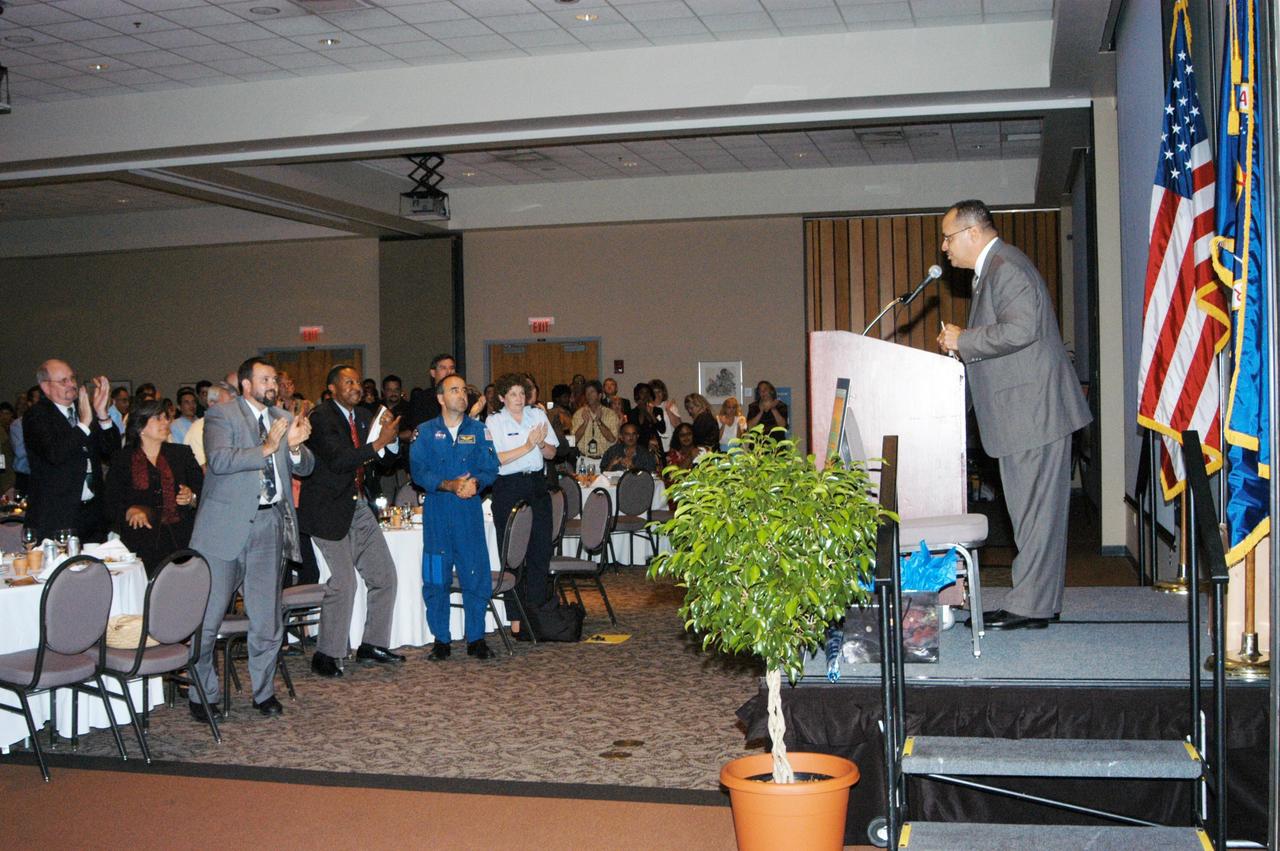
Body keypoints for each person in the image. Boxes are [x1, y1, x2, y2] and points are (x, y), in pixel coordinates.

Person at [936, 199, 1091, 631]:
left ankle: (1030, 606)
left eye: (948, 238)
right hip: (1025, 414)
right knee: (1033, 515)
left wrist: (965, 340)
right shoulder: (995, 270)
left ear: (971, 233)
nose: (944, 249)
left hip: (1033, 413)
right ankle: (1038, 601)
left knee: (1035, 514)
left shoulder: (1006, 268)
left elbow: (1023, 329)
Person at [188, 357, 314, 722]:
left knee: (266, 619)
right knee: (209, 619)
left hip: (267, 526)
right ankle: (202, 693)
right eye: (264, 378)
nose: (272, 383)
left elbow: (306, 466)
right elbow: (220, 460)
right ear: (246, 385)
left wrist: (292, 448)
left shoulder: (283, 418)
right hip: (223, 530)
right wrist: (268, 448)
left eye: (274, 378)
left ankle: (263, 692)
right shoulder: (222, 416)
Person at [299, 365, 404, 678]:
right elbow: (341, 459)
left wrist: (391, 438)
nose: (356, 386)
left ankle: (372, 644)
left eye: (358, 381)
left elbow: (386, 460)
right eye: (348, 382)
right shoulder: (321, 418)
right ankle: (326, 654)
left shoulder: (361, 417)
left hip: (358, 505)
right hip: (327, 509)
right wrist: (377, 442)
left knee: (385, 575)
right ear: (332, 388)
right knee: (344, 582)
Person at [410, 374, 499, 661]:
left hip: (467, 512)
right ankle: (441, 639)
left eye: (464, 390)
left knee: (475, 574)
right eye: (454, 390)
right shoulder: (423, 432)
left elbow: (490, 468)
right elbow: (418, 472)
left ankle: (476, 638)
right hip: (437, 512)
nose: (462, 395)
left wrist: (476, 483)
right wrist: (448, 484)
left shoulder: (479, 430)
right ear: (440, 398)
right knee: (436, 577)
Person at [486, 373, 558, 641]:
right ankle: (515, 619)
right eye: (513, 394)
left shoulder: (537, 416)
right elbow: (497, 460)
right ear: (503, 397)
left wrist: (540, 443)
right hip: (509, 487)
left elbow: (552, 453)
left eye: (522, 393)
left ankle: (537, 614)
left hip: (537, 485)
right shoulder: (494, 421)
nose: (519, 398)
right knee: (513, 555)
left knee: (540, 550)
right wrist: (528, 445)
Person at [104, 399, 203, 577]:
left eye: (166, 417)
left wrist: (192, 497)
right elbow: (110, 502)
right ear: (140, 426)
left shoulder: (181, 454)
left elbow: (203, 491)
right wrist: (129, 511)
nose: (166, 422)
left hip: (180, 541)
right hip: (141, 544)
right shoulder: (123, 459)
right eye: (158, 418)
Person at [23, 360, 119, 542]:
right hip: (57, 516)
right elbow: (55, 454)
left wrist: (102, 414)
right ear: (45, 387)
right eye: (63, 381)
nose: (71, 384)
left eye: (72, 378)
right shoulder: (37, 415)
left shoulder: (85, 411)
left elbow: (112, 452)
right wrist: (83, 424)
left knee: (96, 569)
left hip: (92, 514)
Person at [185, 377, 237, 468]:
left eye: (234, 405)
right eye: (227, 405)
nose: (232, 409)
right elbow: (204, 470)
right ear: (212, 404)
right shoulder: (198, 429)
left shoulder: (236, 426)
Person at [571, 380, 621, 463]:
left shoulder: (610, 414)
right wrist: (585, 424)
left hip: (604, 460)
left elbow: (612, 440)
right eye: (587, 392)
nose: (588, 395)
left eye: (592, 392)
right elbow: (574, 440)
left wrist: (599, 421)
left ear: (600, 395)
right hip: (584, 459)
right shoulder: (579, 414)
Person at [406, 353, 457, 432]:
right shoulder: (421, 399)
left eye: (452, 368)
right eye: (443, 368)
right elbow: (417, 427)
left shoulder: (463, 397)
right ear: (433, 373)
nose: (448, 372)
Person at [650, 379, 682, 452]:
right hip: (654, 447)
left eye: (659, 392)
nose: (657, 394)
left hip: (671, 446)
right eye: (654, 392)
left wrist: (668, 410)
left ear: (663, 393)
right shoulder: (647, 408)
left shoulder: (670, 406)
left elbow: (678, 426)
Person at [0, 403, 15, 497]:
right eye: (2, 413)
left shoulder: (13, 428)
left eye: (7, 413)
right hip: (5, 475)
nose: (4, 416)